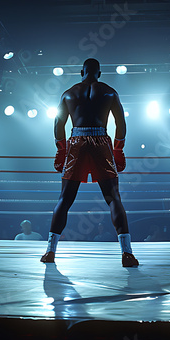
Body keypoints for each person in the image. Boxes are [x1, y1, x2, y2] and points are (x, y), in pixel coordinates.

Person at [41, 58, 139, 267]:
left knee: (65, 198)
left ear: (81, 72)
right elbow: (121, 124)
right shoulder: (109, 92)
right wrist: (118, 149)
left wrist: (61, 150)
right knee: (113, 197)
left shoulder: (69, 93)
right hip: (101, 141)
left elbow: (58, 123)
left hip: (76, 141)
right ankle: (127, 253)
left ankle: (50, 251)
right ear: (99, 73)